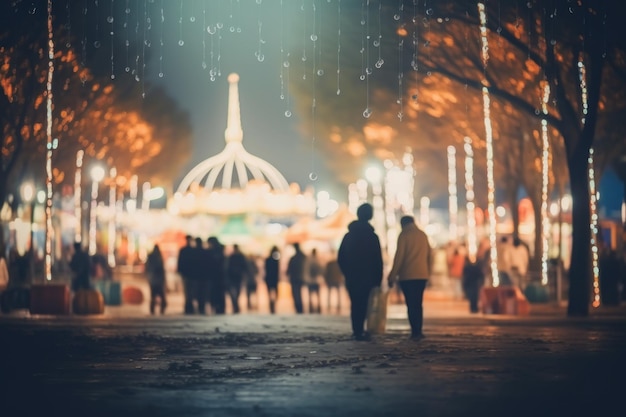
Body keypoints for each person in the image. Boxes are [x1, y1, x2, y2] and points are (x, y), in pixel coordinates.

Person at [338, 203, 383, 341]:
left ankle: (356, 329)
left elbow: (341, 258)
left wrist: (347, 272)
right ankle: (362, 329)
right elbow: (377, 260)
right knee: (365, 303)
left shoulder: (348, 236)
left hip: (352, 276)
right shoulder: (373, 237)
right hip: (368, 277)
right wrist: (378, 278)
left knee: (355, 302)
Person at [387, 215, 432, 341]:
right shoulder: (423, 235)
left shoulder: (404, 235)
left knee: (410, 304)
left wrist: (392, 276)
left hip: (407, 276)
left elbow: (399, 257)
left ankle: (414, 331)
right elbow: (430, 255)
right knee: (418, 303)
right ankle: (419, 330)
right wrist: (429, 272)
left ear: (403, 224)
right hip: (422, 275)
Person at [226, 244, 249, 314]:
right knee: (236, 291)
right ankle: (235, 304)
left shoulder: (233, 257)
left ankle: (235, 304)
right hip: (236, 276)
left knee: (236, 291)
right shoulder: (238, 256)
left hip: (235, 276)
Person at [145, 244, 167, 315]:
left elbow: (147, 268)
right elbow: (162, 270)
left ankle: (152, 310)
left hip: (153, 279)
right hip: (158, 280)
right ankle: (160, 309)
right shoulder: (158, 257)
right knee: (161, 296)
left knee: (153, 296)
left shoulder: (151, 257)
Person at [207, 236, 226, 314]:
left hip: (215, 276)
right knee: (219, 293)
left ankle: (216, 306)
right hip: (218, 276)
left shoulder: (213, 251)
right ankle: (219, 307)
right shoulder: (220, 250)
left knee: (215, 292)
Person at [177, 235, 195, 314]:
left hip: (188, 273)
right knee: (189, 291)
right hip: (189, 273)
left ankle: (188, 306)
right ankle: (189, 306)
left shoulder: (184, 250)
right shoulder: (190, 250)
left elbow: (180, 262)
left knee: (188, 291)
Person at [286, 242, 306, 314]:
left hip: (294, 278)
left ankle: (298, 308)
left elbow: (288, 270)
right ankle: (300, 308)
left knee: (296, 293)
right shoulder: (303, 257)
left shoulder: (293, 258)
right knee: (299, 293)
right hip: (300, 277)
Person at [264, 246, 281, 314]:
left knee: (270, 293)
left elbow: (266, 269)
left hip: (269, 278)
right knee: (275, 293)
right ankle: (273, 305)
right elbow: (277, 270)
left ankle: (271, 305)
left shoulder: (267, 260)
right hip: (274, 278)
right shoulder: (276, 260)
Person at [305, 248, 323, 313]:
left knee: (310, 295)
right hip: (316, 280)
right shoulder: (317, 260)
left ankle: (311, 307)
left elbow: (306, 270)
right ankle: (318, 307)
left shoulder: (309, 260)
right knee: (317, 295)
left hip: (310, 280)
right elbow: (321, 269)